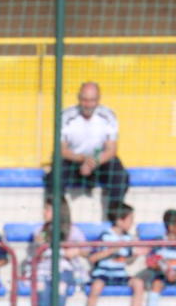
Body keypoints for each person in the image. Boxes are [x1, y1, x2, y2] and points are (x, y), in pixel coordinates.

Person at [51, 82, 128, 222]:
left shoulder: (108, 116)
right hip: (74, 161)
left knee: (120, 174)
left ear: (98, 100)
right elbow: (61, 149)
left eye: (92, 100)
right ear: (79, 99)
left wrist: (94, 161)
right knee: (55, 174)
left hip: (98, 162)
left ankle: (115, 217)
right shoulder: (66, 116)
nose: (88, 104)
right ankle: (60, 218)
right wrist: (82, 159)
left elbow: (111, 149)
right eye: (85, 100)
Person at [76, 203, 137, 306]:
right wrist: (111, 250)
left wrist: (136, 254)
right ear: (119, 220)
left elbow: (127, 260)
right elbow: (92, 258)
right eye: (130, 219)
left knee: (138, 284)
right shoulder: (105, 237)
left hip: (120, 274)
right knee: (96, 286)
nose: (132, 223)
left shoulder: (129, 239)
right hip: (104, 273)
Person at [27, 197, 86, 306]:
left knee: (60, 286)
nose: (44, 212)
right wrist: (38, 246)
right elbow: (36, 252)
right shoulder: (40, 230)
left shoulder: (72, 231)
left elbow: (86, 250)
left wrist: (76, 251)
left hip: (63, 269)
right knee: (42, 287)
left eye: (47, 209)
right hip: (44, 269)